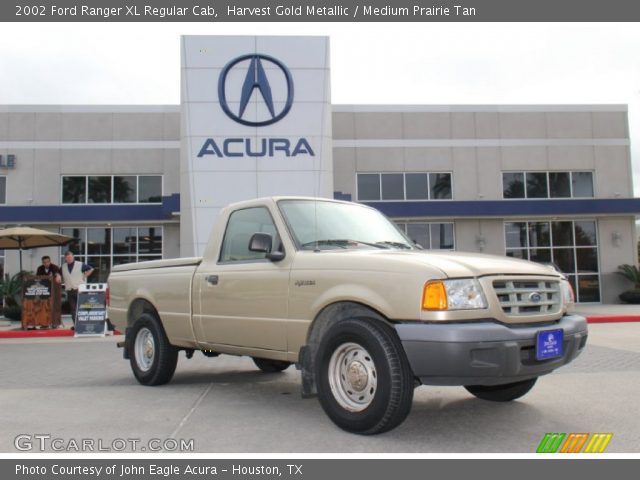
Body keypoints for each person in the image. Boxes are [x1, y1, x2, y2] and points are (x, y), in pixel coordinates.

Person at [61, 251, 94, 329]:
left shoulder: (80, 264)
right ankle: (76, 325)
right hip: (69, 290)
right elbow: (58, 273)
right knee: (73, 309)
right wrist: (58, 276)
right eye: (67, 258)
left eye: (70, 257)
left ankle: (86, 324)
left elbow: (91, 269)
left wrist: (84, 276)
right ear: (65, 258)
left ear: (73, 257)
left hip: (80, 289)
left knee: (84, 307)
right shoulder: (63, 266)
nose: (69, 259)